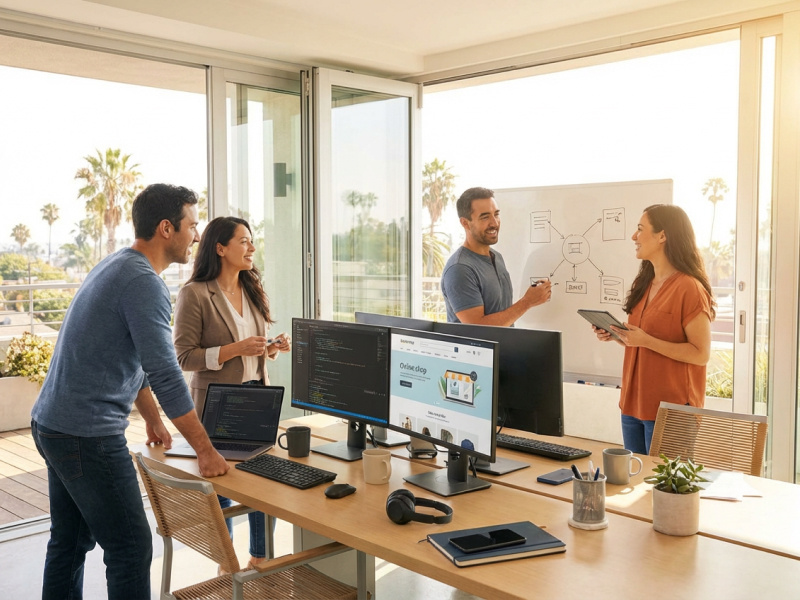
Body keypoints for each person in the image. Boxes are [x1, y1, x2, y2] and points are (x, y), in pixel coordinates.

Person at [30, 183, 229, 600]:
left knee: (69, 542)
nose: (197, 235)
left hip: (52, 424)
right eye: (192, 225)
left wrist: (154, 419)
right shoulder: (143, 283)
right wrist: (206, 451)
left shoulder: (117, 265)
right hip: (86, 435)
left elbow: (128, 358)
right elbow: (166, 374)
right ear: (166, 228)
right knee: (131, 547)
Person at [172, 216, 291, 570]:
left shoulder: (252, 289)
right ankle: (227, 562)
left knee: (263, 483)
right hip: (218, 405)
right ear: (220, 248)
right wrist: (234, 349)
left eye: (252, 241)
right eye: (244, 241)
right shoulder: (194, 294)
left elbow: (252, 350)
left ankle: (260, 557)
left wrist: (271, 347)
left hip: (258, 397)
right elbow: (184, 357)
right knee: (222, 485)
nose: (252, 248)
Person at [592, 204, 715, 454]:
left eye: (640, 229)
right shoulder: (643, 283)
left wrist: (645, 340)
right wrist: (618, 336)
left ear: (663, 235)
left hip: (671, 410)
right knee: (635, 486)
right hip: (632, 405)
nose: (634, 237)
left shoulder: (689, 288)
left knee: (665, 490)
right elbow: (643, 340)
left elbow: (700, 354)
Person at [441, 187, 551, 325]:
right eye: (485, 217)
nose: (494, 223)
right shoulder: (459, 269)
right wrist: (527, 302)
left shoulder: (496, 257)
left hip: (506, 346)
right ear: (465, 223)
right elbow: (477, 328)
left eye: (496, 214)